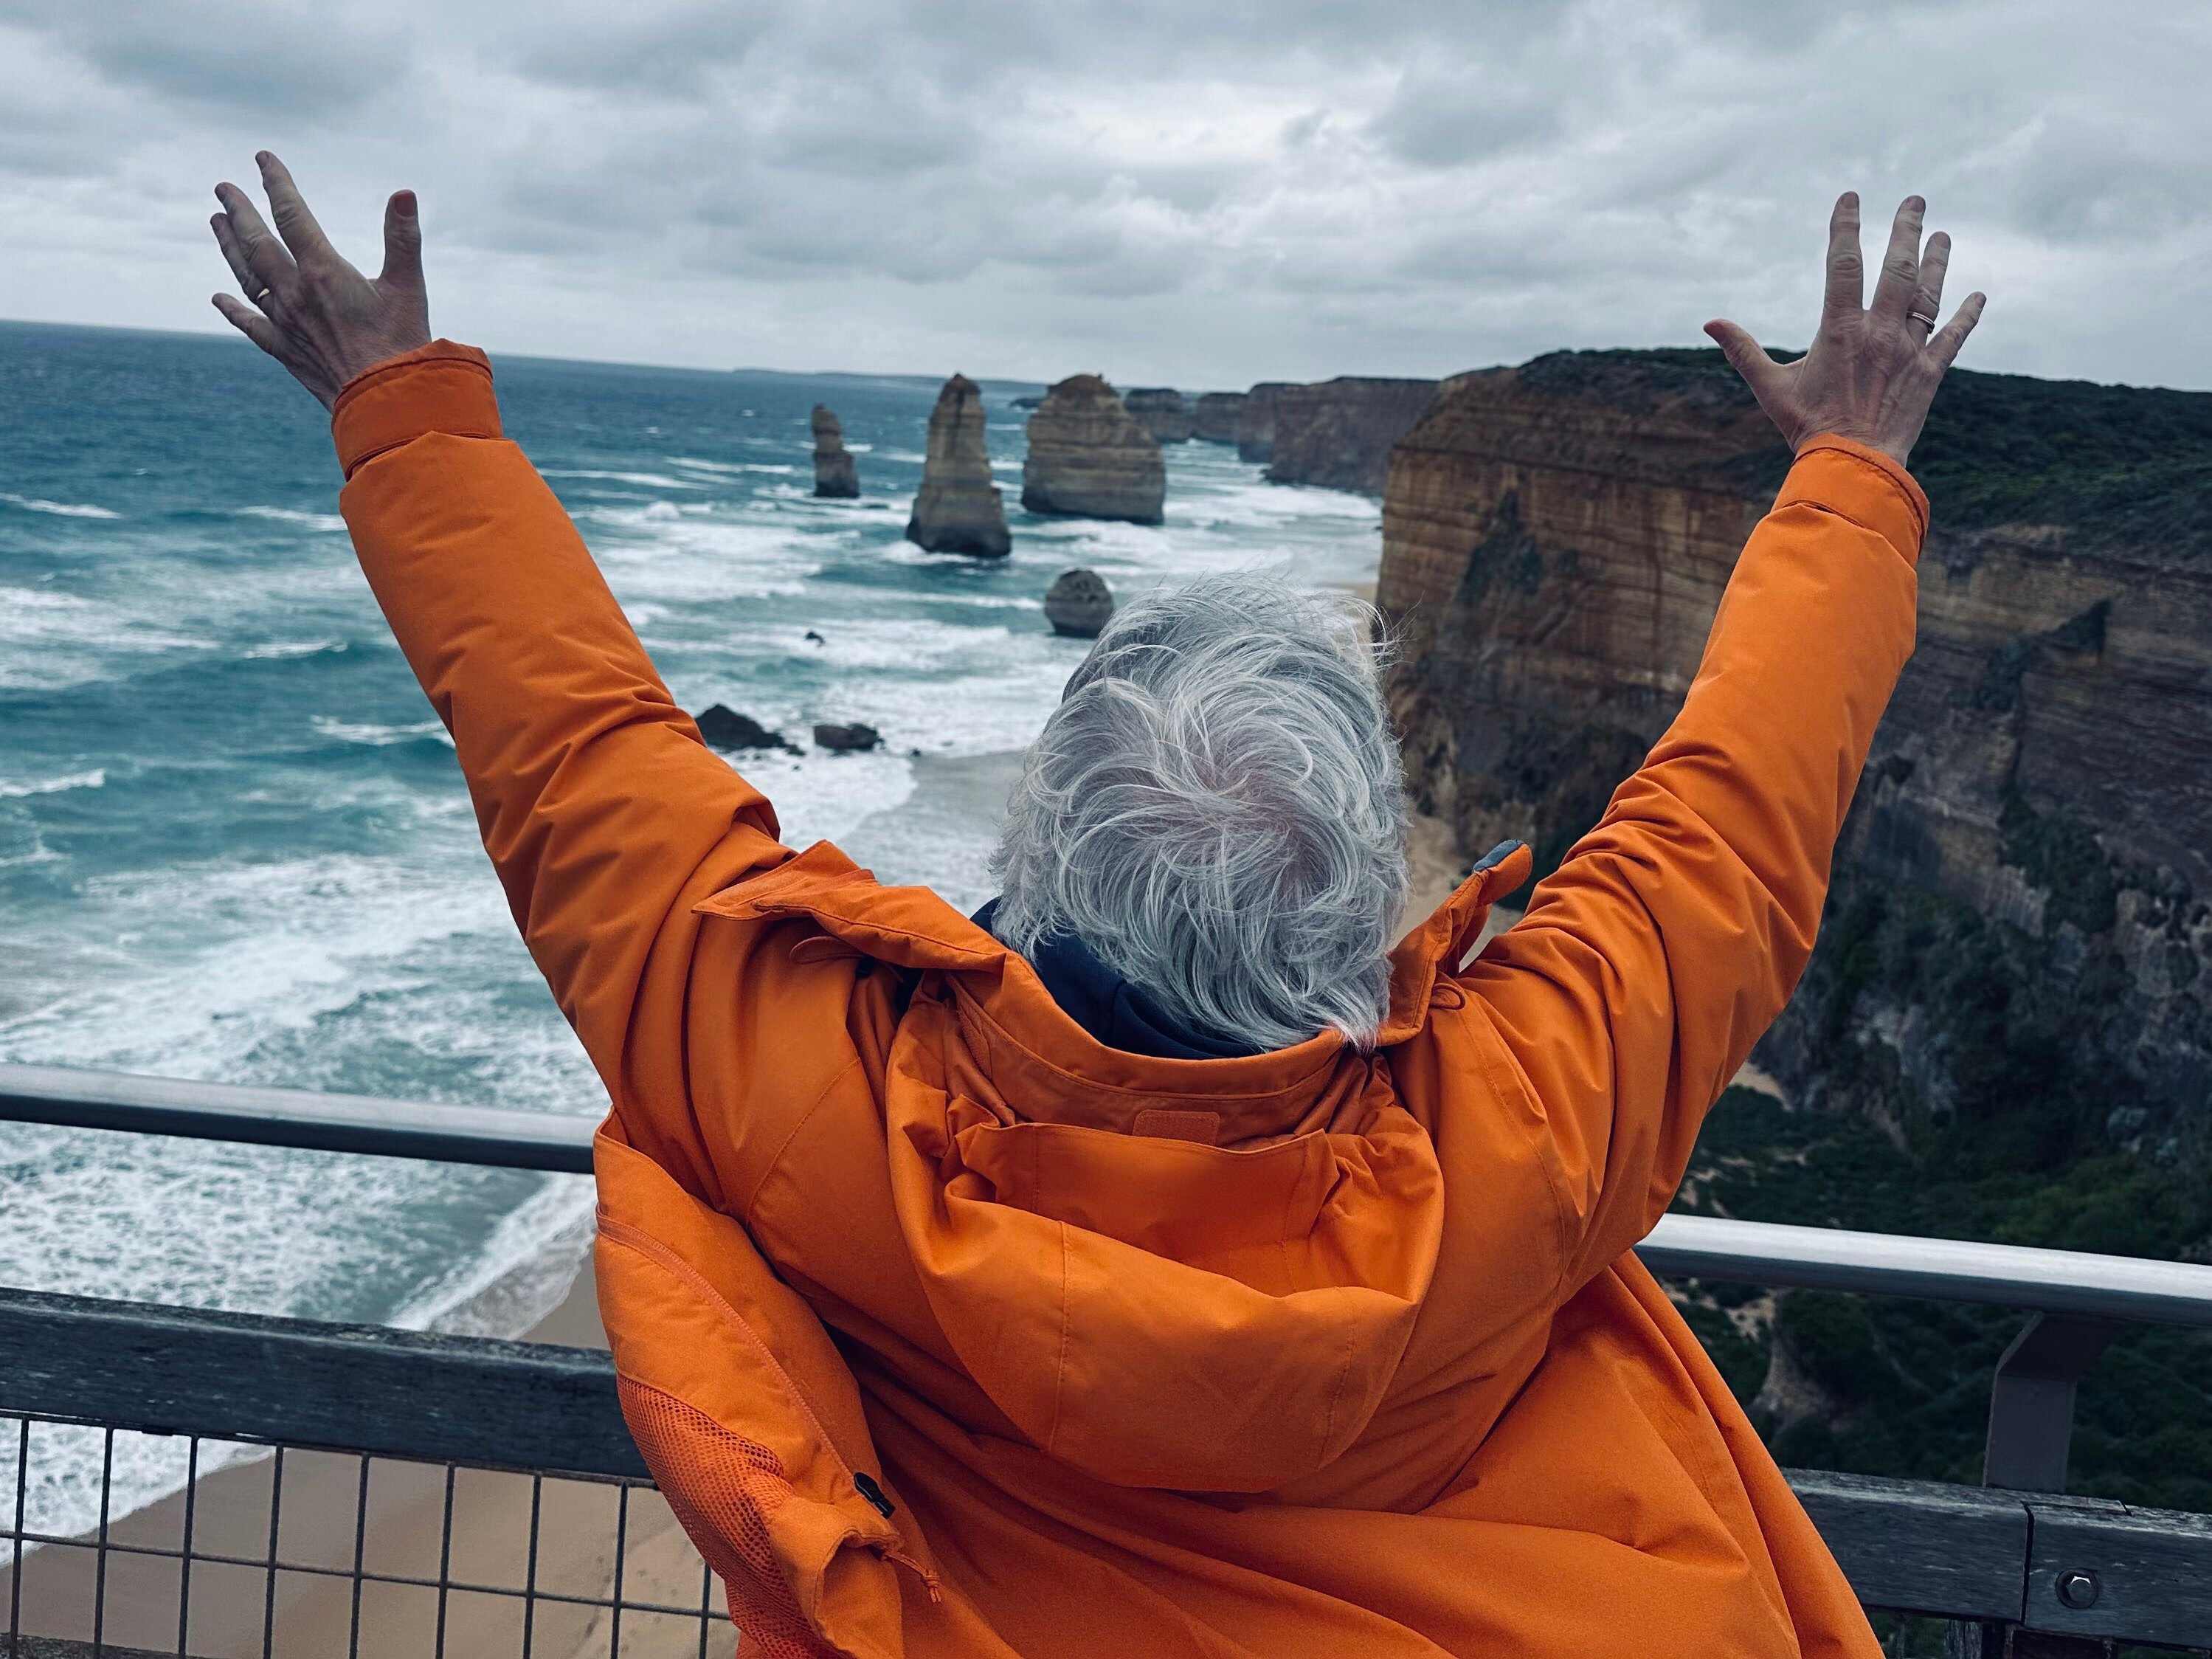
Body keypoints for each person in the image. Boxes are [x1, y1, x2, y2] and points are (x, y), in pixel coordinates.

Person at [208, 152, 1981, 1658]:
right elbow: (1734, 815)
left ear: (1044, 844)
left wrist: (407, 413)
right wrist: (1847, 469)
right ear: (1375, 893)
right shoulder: (1528, 1110)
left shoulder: (823, 1098)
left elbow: (575, 750)